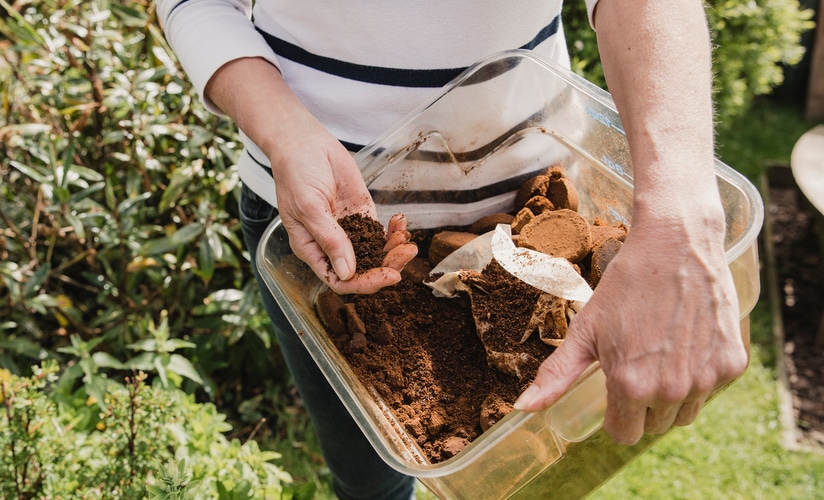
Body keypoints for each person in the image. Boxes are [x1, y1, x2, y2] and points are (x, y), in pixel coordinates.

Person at [157, 1, 749, 498]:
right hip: (326, 229)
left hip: (535, 211)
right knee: (372, 481)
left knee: (532, 469)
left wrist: (680, 221)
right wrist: (285, 132)